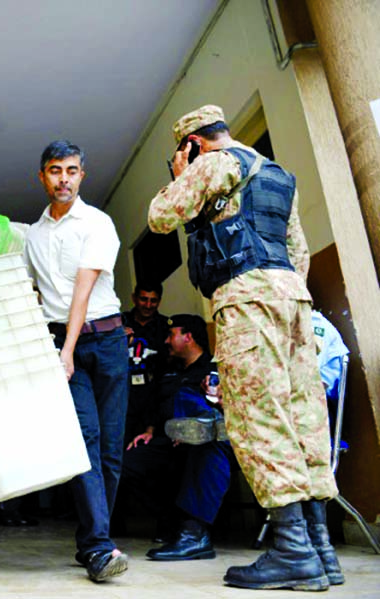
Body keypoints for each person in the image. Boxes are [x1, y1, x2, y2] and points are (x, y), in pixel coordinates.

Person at [149, 105, 340, 591]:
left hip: (246, 299)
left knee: (258, 417)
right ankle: (321, 550)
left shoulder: (214, 163)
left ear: (193, 143)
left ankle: (292, 551)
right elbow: (297, 253)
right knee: (303, 418)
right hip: (294, 302)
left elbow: (159, 217)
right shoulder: (279, 175)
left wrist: (179, 175)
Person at [23, 140, 129, 582]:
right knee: (83, 440)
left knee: (108, 450)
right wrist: (54, 350)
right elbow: (34, 294)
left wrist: (67, 349)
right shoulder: (34, 234)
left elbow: (83, 291)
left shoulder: (98, 223)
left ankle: (91, 541)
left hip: (105, 343)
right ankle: (101, 548)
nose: (62, 178)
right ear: (42, 176)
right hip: (61, 346)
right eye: (54, 170)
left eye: (70, 170)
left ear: (82, 175)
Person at [121, 314, 234, 561]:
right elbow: (156, 403)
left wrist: (214, 400)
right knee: (127, 462)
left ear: (188, 337)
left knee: (203, 441)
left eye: (172, 335)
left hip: (200, 442)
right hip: (167, 438)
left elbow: (225, 413)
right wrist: (149, 430)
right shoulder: (167, 368)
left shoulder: (213, 369)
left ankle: (194, 533)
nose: (167, 341)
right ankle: (170, 519)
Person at [122, 281, 170, 445]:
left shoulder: (165, 326)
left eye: (153, 300)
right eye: (143, 299)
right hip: (125, 394)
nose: (148, 305)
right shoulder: (120, 323)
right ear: (134, 298)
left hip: (154, 393)